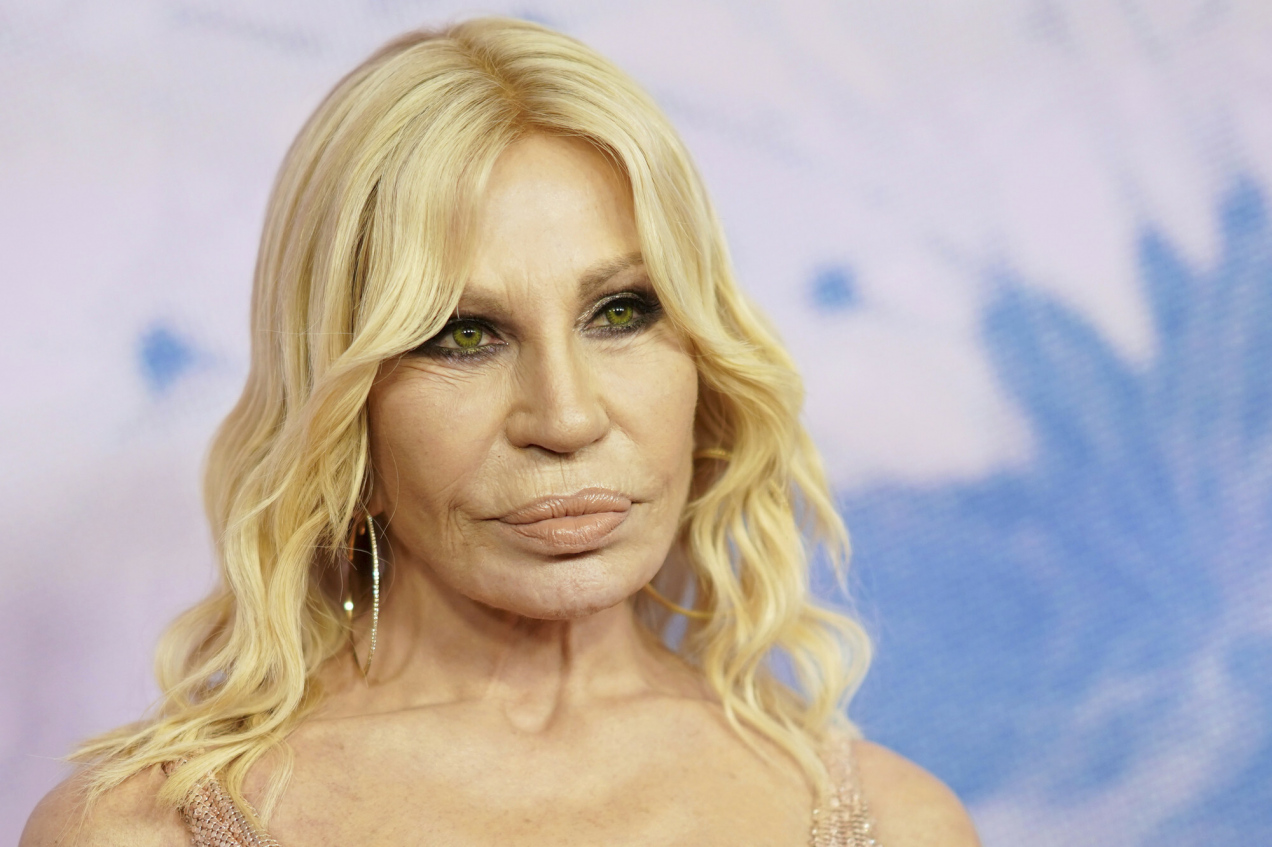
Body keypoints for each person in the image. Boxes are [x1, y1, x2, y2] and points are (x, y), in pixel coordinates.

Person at [23, 17, 980, 847]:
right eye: (464, 335)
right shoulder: (145, 829)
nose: (565, 417)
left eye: (621, 312)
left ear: (705, 360)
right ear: (343, 407)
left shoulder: (897, 823)